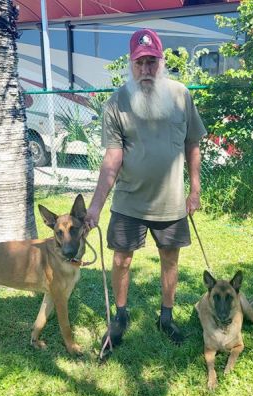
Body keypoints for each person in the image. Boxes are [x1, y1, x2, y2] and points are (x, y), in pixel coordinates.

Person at [86, 29, 207, 347]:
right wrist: (96, 207)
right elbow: (112, 158)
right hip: (128, 202)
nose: (146, 70)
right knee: (121, 259)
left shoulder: (181, 95)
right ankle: (121, 316)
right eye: (140, 63)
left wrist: (194, 191)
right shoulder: (117, 103)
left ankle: (166, 317)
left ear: (161, 61)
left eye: (151, 62)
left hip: (171, 201)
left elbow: (193, 143)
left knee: (170, 259)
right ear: (131, 64)